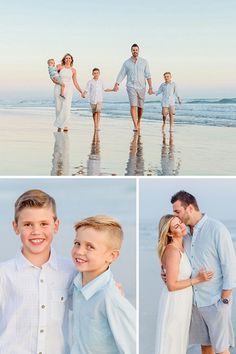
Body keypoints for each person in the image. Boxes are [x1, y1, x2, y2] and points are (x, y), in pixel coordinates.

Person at [0, 189, 76, 354]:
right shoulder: (4, 274)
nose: (36, 231)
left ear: (56, 226)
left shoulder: (71, 271)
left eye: (44, 224)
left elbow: (88, 308)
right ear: (15, 227)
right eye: (27, 224)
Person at [170, 190, 236, 354]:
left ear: (190, 208)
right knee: (205, 347)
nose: (176, 216)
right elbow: (175, 256)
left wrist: (224, 301)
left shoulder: (216, 229)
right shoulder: (185, 234)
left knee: (222, 349)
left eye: (177, 211)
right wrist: (164, 271)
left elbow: (229, 265)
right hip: (195, 302)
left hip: (216, 301)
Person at [71, 215, 136, 354]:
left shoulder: (111, 298)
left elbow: (132, 346)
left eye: (90, 247)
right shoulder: (76, 284)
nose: (79, 251)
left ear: (112, 256)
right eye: (77, 243)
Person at [155, 214, 213, 354]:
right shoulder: (173, 251)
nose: (182, 226)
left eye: (180, 222)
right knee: (171, 341)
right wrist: (198, 279)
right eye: (176, 226)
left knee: (179, 342)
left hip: (183, 301)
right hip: (175, 302)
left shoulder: (183, 246)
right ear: (169, 232)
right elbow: (172, 285)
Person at [113, 43, 153, 132]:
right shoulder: (127, 63)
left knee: (140, 107)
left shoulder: (144, 62)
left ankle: (139, 122)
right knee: (133, 105)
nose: (135, 51)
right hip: (131, 86)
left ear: (138, 51)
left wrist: (150, 87)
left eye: (136, 50)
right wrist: (117, 84)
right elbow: (122, 73)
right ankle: (135, 125)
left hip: (142, 86)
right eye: (133, 50)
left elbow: (148, 75)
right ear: (131, 51)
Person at [54, 53, 83, 132]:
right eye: (66, 58)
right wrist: (56, 82)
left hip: (69, 89)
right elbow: (53, 76)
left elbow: (75, 82)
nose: (68, 59)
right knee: (58, 106)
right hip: (59, 87)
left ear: (71, 60)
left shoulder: (73, 70)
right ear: (64, 59)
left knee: (66, 106)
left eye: (69, 58)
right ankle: (59, 125)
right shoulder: (59, 67)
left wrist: (81, 91)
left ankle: (65, 124)